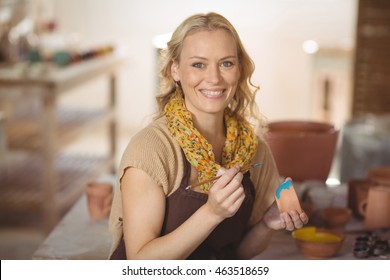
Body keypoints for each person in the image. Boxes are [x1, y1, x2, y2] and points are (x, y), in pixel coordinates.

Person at [108, 12, 308, 260]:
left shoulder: (254, 150)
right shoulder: (151, 149)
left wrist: (266, 224)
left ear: (239, 69)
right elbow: (140, 264)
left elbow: (234, 254)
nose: (214, 78)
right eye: (198, 64)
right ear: (176, 70)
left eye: (226, 63)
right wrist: (212, 213)